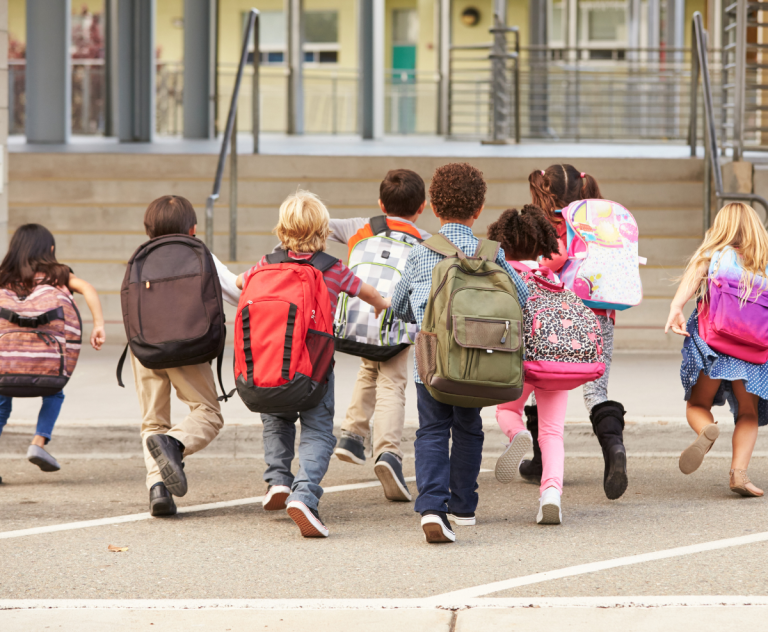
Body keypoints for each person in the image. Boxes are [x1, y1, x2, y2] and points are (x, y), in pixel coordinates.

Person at [237, 190, 390, 538]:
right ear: (323, 231)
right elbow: (365, 291)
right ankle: (304, 495)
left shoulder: (266, 263)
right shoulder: (332, 269)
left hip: (270, 367)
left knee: (276, 420)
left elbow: (239, 282)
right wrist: (382, 303)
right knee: (318, 430)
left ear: (281, 229)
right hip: (314, 372)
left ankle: (277, 479)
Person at [391, 163, 529, 543]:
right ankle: (464, 507)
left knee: (432, 430)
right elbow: (524, 298)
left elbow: (400, 305)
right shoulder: (492, 254)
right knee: (468, 429)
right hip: (479, 361)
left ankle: (433, 507)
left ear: (434, 207)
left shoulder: (422, 254)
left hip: (433, 364)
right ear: (478, 209)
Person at [521, 164, 628, 501]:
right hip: (599, 314)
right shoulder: (599, 225)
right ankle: (614, 448)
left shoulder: (542, 228)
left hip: (556, 315)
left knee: (544, 381)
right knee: (596, 390)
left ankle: (541, 460)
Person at [133, 195, 241, 517]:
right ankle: (175, 444)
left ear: (148, 228)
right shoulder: (200, 254)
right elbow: (237, 294)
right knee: (208, 413)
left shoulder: (141, 257)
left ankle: (158, 489)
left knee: (153, 421)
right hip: (188, 347)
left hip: (145, 348)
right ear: (193, 228)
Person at [331, 169, 431, 502]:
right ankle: (388, 453)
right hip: (395, 321)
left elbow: (319, 224)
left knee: (368, 367)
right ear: (422, 207)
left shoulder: (359, 227)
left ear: (380, 203)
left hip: (357, 319)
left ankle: (352, 434)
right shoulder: (425, 241)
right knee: (392, 383)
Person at [666, 202, 768, 497]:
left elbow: (690, 282)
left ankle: (705, 429)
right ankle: (739, 475)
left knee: (698, 405)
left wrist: (675, 308)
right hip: (754, 350)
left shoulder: (714, 255)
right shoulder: (762, 261)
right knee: (748, 412)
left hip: (714, 344)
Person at [0, 223, 105, 475]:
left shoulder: (3, 276)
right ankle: (39, 442)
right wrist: (98, 324)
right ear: (50, 248)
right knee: (54, 391)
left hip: (6, 363)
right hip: (47, 361)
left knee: (2, 401)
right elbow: (88, 288)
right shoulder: (58, 274)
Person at [487, 206, 569, 524]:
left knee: (507, 411)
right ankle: (551, 494)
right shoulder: (553, 277)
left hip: (516, 362)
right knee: (552, 432)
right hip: (553, 362)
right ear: (541, 244)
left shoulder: (503, 273)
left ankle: (518, 433)